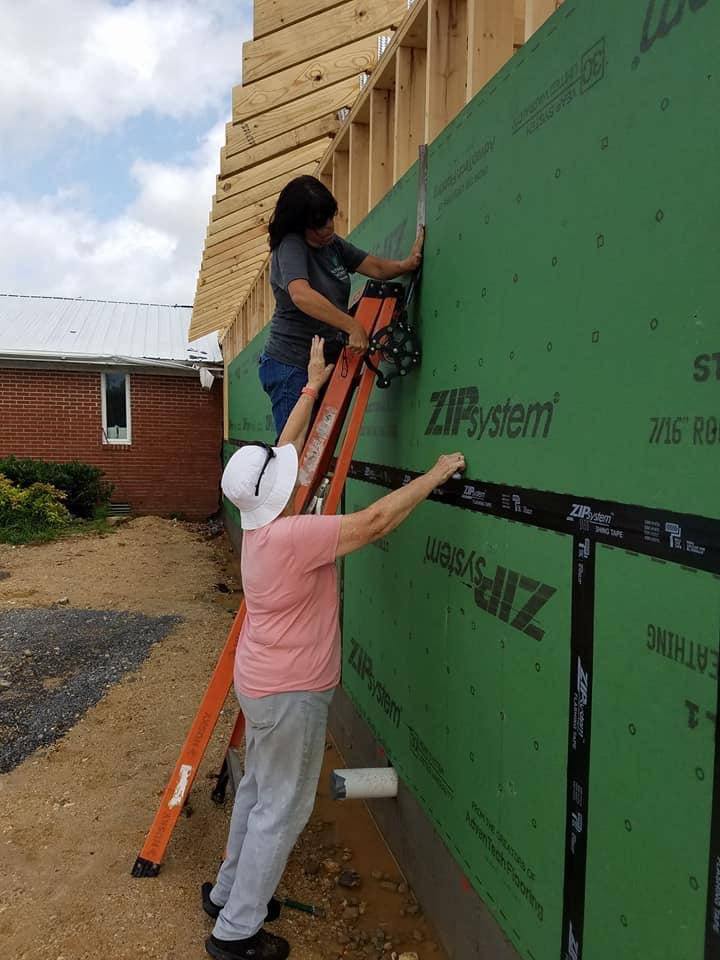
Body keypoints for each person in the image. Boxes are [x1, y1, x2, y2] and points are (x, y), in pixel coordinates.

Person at [203, 336, 465, 960]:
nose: (286, 460)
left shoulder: (258, 525)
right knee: (281, 810)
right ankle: (235, 932)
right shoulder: (293, 537)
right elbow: (375, 523)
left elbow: (282, 450)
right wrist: (434, 475)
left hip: (261, 683)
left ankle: (227, 893)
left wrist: (312, 387)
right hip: (291, 694)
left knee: (258, 793)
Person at [260, 174, 424, 436]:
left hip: (323, 363)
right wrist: (352, 326)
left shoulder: (332, 245)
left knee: (315, 448)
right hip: (292, 365)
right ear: (299, 225)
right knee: (294, 451)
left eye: (330, 218)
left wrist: (407, 264)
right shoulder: (290, 246)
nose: (329, 227)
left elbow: (375, 267)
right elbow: (301, 295)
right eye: (319, 224)